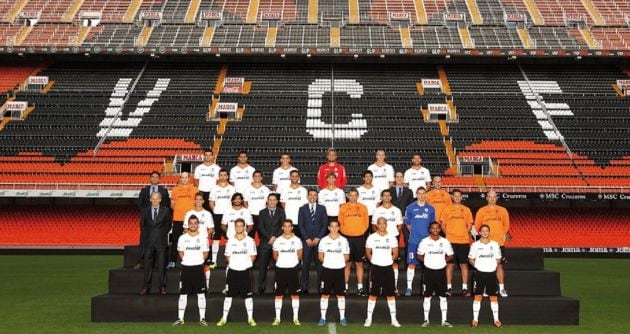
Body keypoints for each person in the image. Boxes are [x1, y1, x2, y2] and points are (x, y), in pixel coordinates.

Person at [217, 219, 258, 327]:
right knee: (228, 296)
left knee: (248, 296)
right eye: (237, 226)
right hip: (233, 272)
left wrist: (244, 265)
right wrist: (234, 265)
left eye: (241, 226)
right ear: (235, 227)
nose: (239, 227)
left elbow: (253, 256)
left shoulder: (250, 240)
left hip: (245, 272)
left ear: (244, 227)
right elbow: (227, 257)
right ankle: (224, 318)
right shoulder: (230, 241)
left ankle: (250, 318)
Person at [364, 217, 401, 328]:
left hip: (388, 268)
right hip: (376, 269)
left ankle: (393, 319)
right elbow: (368, 253)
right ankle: (368, 319)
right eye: (379, 223)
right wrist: (374, 261)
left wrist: (388, 261)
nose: (381, 225)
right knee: (373, 294)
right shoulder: (371, 238)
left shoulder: (392, 238)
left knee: (390, 294)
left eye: (383, 223)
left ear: (386, 224)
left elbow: (395, 253)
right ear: (377, 225)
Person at [172, 216, 209, 327]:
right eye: (191, 223)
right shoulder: (182, 238)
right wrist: (187, 260)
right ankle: (180, 319)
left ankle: (202, 319)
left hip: (198, 268)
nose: (193, 225)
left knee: (201, 294)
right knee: (183, 294)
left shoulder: (203, 238)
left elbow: (206, 252)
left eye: (195, 223)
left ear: (198, 224)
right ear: (188, 225)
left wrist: (199, 261)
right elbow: (180, 252)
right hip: (186, 268)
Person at [417, 222, 454, 328]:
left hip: (441, 272)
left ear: (439, 230)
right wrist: (427, 262)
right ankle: (426, 320)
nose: (435, 230)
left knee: (443, 296)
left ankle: (444, 320)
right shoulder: (424, 242)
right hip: (428, 272)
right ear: (430, 230)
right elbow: (419, 255)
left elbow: (451, 255)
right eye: (433, 228)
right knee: (427, 296)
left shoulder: (445, 241)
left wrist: (442, 261)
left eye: (437, 228)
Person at [474, 190, 510, 297]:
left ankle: (502, 289)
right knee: (484, 266)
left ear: (496, 198)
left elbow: (506, 225)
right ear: (487, 198)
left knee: (499, 266)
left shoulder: (503, 210)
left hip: (498, 243)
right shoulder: (481, 211)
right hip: (485, 243)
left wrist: (500, 235)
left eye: (494, 197)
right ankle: (484, 288)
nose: (492, 198)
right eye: (490, 196)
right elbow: (477, 226)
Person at [439, 189, 473, 297]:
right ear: (452, 197)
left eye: (459, 196)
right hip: (451, 241)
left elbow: (469, 225)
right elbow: (443, 225)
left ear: (461, 197)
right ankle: (448, 288)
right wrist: (448, 235)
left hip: (463, 241)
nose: (457, 197)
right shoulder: (447, 209)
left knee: (464, 265)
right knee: (450, 265)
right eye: (455, 196)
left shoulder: (466, 209)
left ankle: (464, 288)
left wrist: (464, 233)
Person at [469, 224, 503, 328]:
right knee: (478, 296)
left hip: (491, 274)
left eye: (486, 230)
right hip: (479, 274)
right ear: (479, 233)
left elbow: (498, 259)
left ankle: (496, 320)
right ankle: (475, 320)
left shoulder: (495, 244)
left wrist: (491, 266)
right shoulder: (475, 245)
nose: (484, 232)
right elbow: (471, 259)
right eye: (482, 231)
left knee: (493, 297)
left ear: (489, 232)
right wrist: (478, 266)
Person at [403, 187, 435, 296]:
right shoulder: (410, 207)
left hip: (426, 242)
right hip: (414, 241)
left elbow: (432, 225)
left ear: (426, 194)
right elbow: (407, 224)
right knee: (411, 264)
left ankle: (427, 287)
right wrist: (415, 232)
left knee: (428, 264)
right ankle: (408, 287)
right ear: (416, 195)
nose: (421, 195)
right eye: (419, 193)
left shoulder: (430, 209)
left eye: (423, 193)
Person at [135, 171, 170, 269]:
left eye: (156, 177)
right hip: (147, 222)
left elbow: (166, 206)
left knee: (160, 243)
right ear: (150, 178)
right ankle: (141, 261)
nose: (154, 179)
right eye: (153, 177)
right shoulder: (144, 190)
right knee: (144, 241)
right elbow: (140, 204)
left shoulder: (164, 191)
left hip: (159, 223)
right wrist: (146, 215)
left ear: (159, 179)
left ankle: (159, 263)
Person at [317, 221, 350, 326]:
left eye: (336, 226)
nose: (334, 228)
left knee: (340, 294)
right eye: (332, 226)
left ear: (339, 228)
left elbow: (346, 256)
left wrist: (338, 263)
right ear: (329, 228)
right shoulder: (323, 240)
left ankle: (342, 317)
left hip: (339, 270)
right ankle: (322, 317)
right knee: (325, 294)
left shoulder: (344, 240)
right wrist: (328, 263)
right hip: (327, 270)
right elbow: (320, 256)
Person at [272, 220, 304, 326]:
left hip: (292, 270)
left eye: (289, 226)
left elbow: (300, 255)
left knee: (295, 295)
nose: (287, 228)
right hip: (280, 269)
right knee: (278, 295)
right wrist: (282, 262)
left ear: (292, 228)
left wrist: (293, 263)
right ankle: (277, 318)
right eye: (285, 226)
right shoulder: (277, 240)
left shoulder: (297, 240)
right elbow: (275, 255)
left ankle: (295, 318)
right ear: (282, 228)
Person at [338, 188, 369, 296]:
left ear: (358, 196)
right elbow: (340, 223)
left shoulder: (363, 207)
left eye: (355, 195)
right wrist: (347, 233)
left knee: (359, 264)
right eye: (351, 195)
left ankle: (360, 288)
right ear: (347, 196)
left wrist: (358, 232)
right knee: (346, 263)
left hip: (359, 238)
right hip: (346, 238)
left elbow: (366, 224)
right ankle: (344, 287)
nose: (353, 197)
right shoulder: (343, 208)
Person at [139, 192, 172, 295]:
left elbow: (168, 225)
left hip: (161, 243)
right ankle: (146, 287)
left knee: (162, 266)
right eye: (153, 198)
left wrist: (160, 235)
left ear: (160, 199)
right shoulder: (145, 211)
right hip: (148, 243)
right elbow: (142, 226)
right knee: (148, 266)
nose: (155, 200)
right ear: (150, 199)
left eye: (157, 198)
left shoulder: (166, 211)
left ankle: (162, 287)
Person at [371, 189, 403, 293]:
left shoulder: (397, 210)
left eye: (388, 195)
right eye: (384, 195)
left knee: (393, 263)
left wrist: (393, 237)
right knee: (379, 263)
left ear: (391, 197)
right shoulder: (377, 210)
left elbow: (400, 225)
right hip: (380, 240)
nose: (386, 197)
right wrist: (380, 236)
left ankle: (394, 287)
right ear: (381, 197)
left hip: (392, 239)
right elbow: (373, 225)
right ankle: (378, 286)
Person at [297, 189, 328, 294]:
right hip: (306, 241)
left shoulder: (322, 208)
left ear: (317, 197)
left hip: (319, 241)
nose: (312, 197)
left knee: (320, 266)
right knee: (305, 265)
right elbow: (300, 225)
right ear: (307, 196)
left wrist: (318, 237)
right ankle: (304, 288)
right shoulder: (302, 209)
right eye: (310, 195)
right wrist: (306, 238)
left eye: (315, 195)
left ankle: (321, 288)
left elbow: (324, 225)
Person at [183, 193, 214, 290]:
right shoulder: (189, 213)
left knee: (205, 266)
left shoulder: (208, 214)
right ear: (194, 201)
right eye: (197, 199)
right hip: (191, 245)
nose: (198, 201)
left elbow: (211, 229)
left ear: (203, 201)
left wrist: (204, 239)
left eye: (200, 199)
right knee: (190, 265)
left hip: (203, 244)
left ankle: (206, 286)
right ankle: (189, 286)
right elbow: (185, 229)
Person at [256, 193, 285, 295]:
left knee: (279, 266)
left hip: (278, 243)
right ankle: (261, 287)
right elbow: (260, 227)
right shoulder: (262, 212)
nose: (272, 202)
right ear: (267, 201)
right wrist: (270, 237)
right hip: (265, 242)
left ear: (277, 201)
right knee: (262, 267)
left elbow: (283, 226)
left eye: (274, 200)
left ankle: (277, 287)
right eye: (270, 200)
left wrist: (275, 237)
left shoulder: (281, 212)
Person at [169, 172, 198, 270]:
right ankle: (172, 261)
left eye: (186, 177)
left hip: (190, 220)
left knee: (191, 240)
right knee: (175, 240)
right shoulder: (175, 190)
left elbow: (196, 203)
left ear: (189, 178)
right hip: (177, 218)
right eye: (182, 177)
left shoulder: (194, 189)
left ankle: (191, 260)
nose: (184, 179)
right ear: (180, 179)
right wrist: (180, 210)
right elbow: (172, 205)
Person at [208, 169, 235, 267]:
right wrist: (215, 211)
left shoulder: (232, 189)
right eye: (221, 175)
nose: (223, 177)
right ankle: (214, 261)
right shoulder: (214, 188)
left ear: (227, 177)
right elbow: (211, 203)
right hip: (217, 215)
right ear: (218, 176)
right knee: (216, 239)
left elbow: (234, 202)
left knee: (230, 238)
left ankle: (230, 261)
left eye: (225, 175)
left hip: (228, 216)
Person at [243, 170, 270, 239]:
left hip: (262, 215)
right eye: (255, 176)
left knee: (263, 235)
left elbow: (269, 203)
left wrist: (265, 211)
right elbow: (245, 202)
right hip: (251, 215)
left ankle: (263, 249)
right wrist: (248, 212)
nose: (257, 177)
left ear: (261, 178)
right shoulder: (247, 189)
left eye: (259, 176)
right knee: (250, 235)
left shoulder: (266, 190)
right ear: (253, 178)